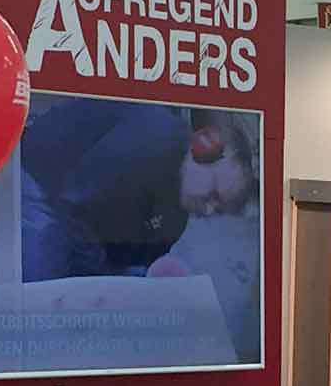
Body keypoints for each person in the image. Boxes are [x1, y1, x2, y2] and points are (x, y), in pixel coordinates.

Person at [18, 100, 259, 283]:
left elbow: (138, 258)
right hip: (42, 177)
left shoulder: (178, 215)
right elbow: (74, 207)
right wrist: (98, 278)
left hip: (82, 210)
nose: (207, 210)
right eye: (213, 194)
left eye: (218, 209)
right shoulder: (152, 141)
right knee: (42, 288)